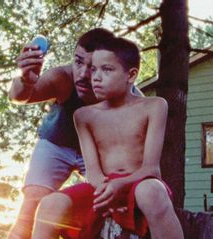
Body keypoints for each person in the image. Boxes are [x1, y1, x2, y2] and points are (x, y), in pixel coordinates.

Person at [31, 37, 184, 239]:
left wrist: (120, 185)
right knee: (50, 204)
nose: (95, 77)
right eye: (94, 69)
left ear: (131, 75)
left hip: (140, 183)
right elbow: (92, 172)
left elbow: (151, 169)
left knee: (151, 192)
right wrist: (106, 192)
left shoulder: (154, 106)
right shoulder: (84, 116)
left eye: (107, 70)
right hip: (102, 187)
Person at [8, 28, 118, 239]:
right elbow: (19, 96)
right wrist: (26, 79)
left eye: (94, 68)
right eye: (78, 62)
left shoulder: (122, 90)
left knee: (107, 205)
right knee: (31, 206)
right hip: (55, 144)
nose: (84, 74)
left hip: (96, 150)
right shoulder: (62, 78)